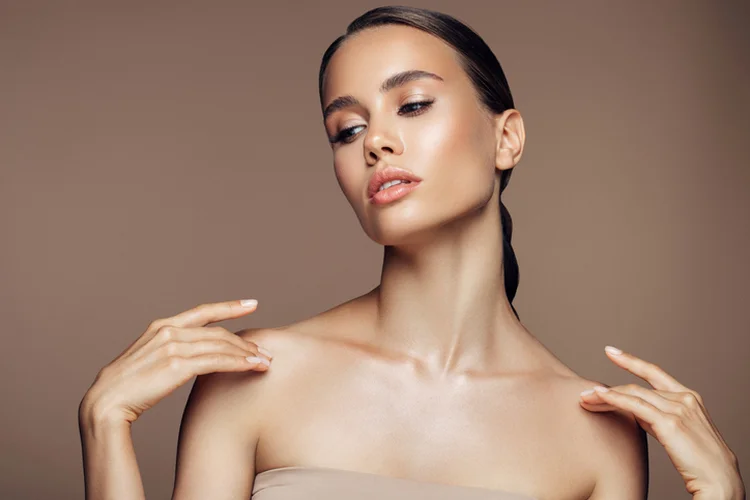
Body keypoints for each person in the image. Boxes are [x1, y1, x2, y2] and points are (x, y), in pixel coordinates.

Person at [78, 6, 745, 500]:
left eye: (415, 104)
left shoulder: (596, 432)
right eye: (348, 128)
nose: (376, 144)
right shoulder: (255, 376)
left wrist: (723, 496)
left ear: (506, 138)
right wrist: (104, 427)